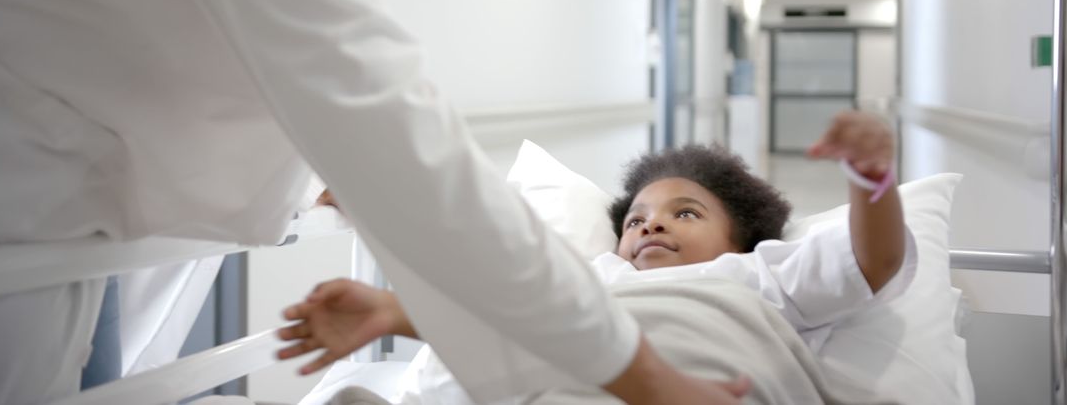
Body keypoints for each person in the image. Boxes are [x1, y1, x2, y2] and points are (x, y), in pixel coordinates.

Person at [0, 0, 739, 403]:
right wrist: (648, 380)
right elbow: (378, 114)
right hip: (28, 193)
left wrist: (306, 182)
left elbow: (179, 30)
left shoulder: (752, 277)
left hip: (63, 194)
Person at [277, 111, 913, 401]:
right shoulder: (593, 275)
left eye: (684, 213)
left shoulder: (757, 274)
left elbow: (872, 260)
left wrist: (872, 178)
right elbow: (499, 310)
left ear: (740, 238)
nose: (652, 223)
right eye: (636, 219)